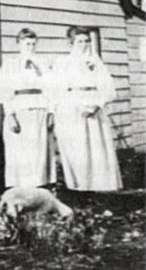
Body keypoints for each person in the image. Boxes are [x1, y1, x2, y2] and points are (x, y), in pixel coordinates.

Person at [50, 26, 122, 191]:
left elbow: (108, 86)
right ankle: (80, 186)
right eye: (79, 41)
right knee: (78, 148)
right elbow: (57, 89)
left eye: (86, 41)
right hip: (72, 107)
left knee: (96, 147)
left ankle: (99, 186)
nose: (83, 45)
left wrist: (97, 104)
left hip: (93, 105)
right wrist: (67, 108)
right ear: (71, 43)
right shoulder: (63, 63)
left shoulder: (95, 61)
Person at [1, 28, 56, 188]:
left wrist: (51, 112)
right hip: (19, 109)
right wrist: (10, 115)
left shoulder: (43, 63)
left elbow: (51, 89)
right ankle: (20, 187)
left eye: (33, 44)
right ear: (18, 44)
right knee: (19, 150)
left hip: (40, 108)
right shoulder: (11, 65)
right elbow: (4, 91)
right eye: (27, 44)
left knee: (39, 151)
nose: (30, 47)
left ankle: (39, 186)